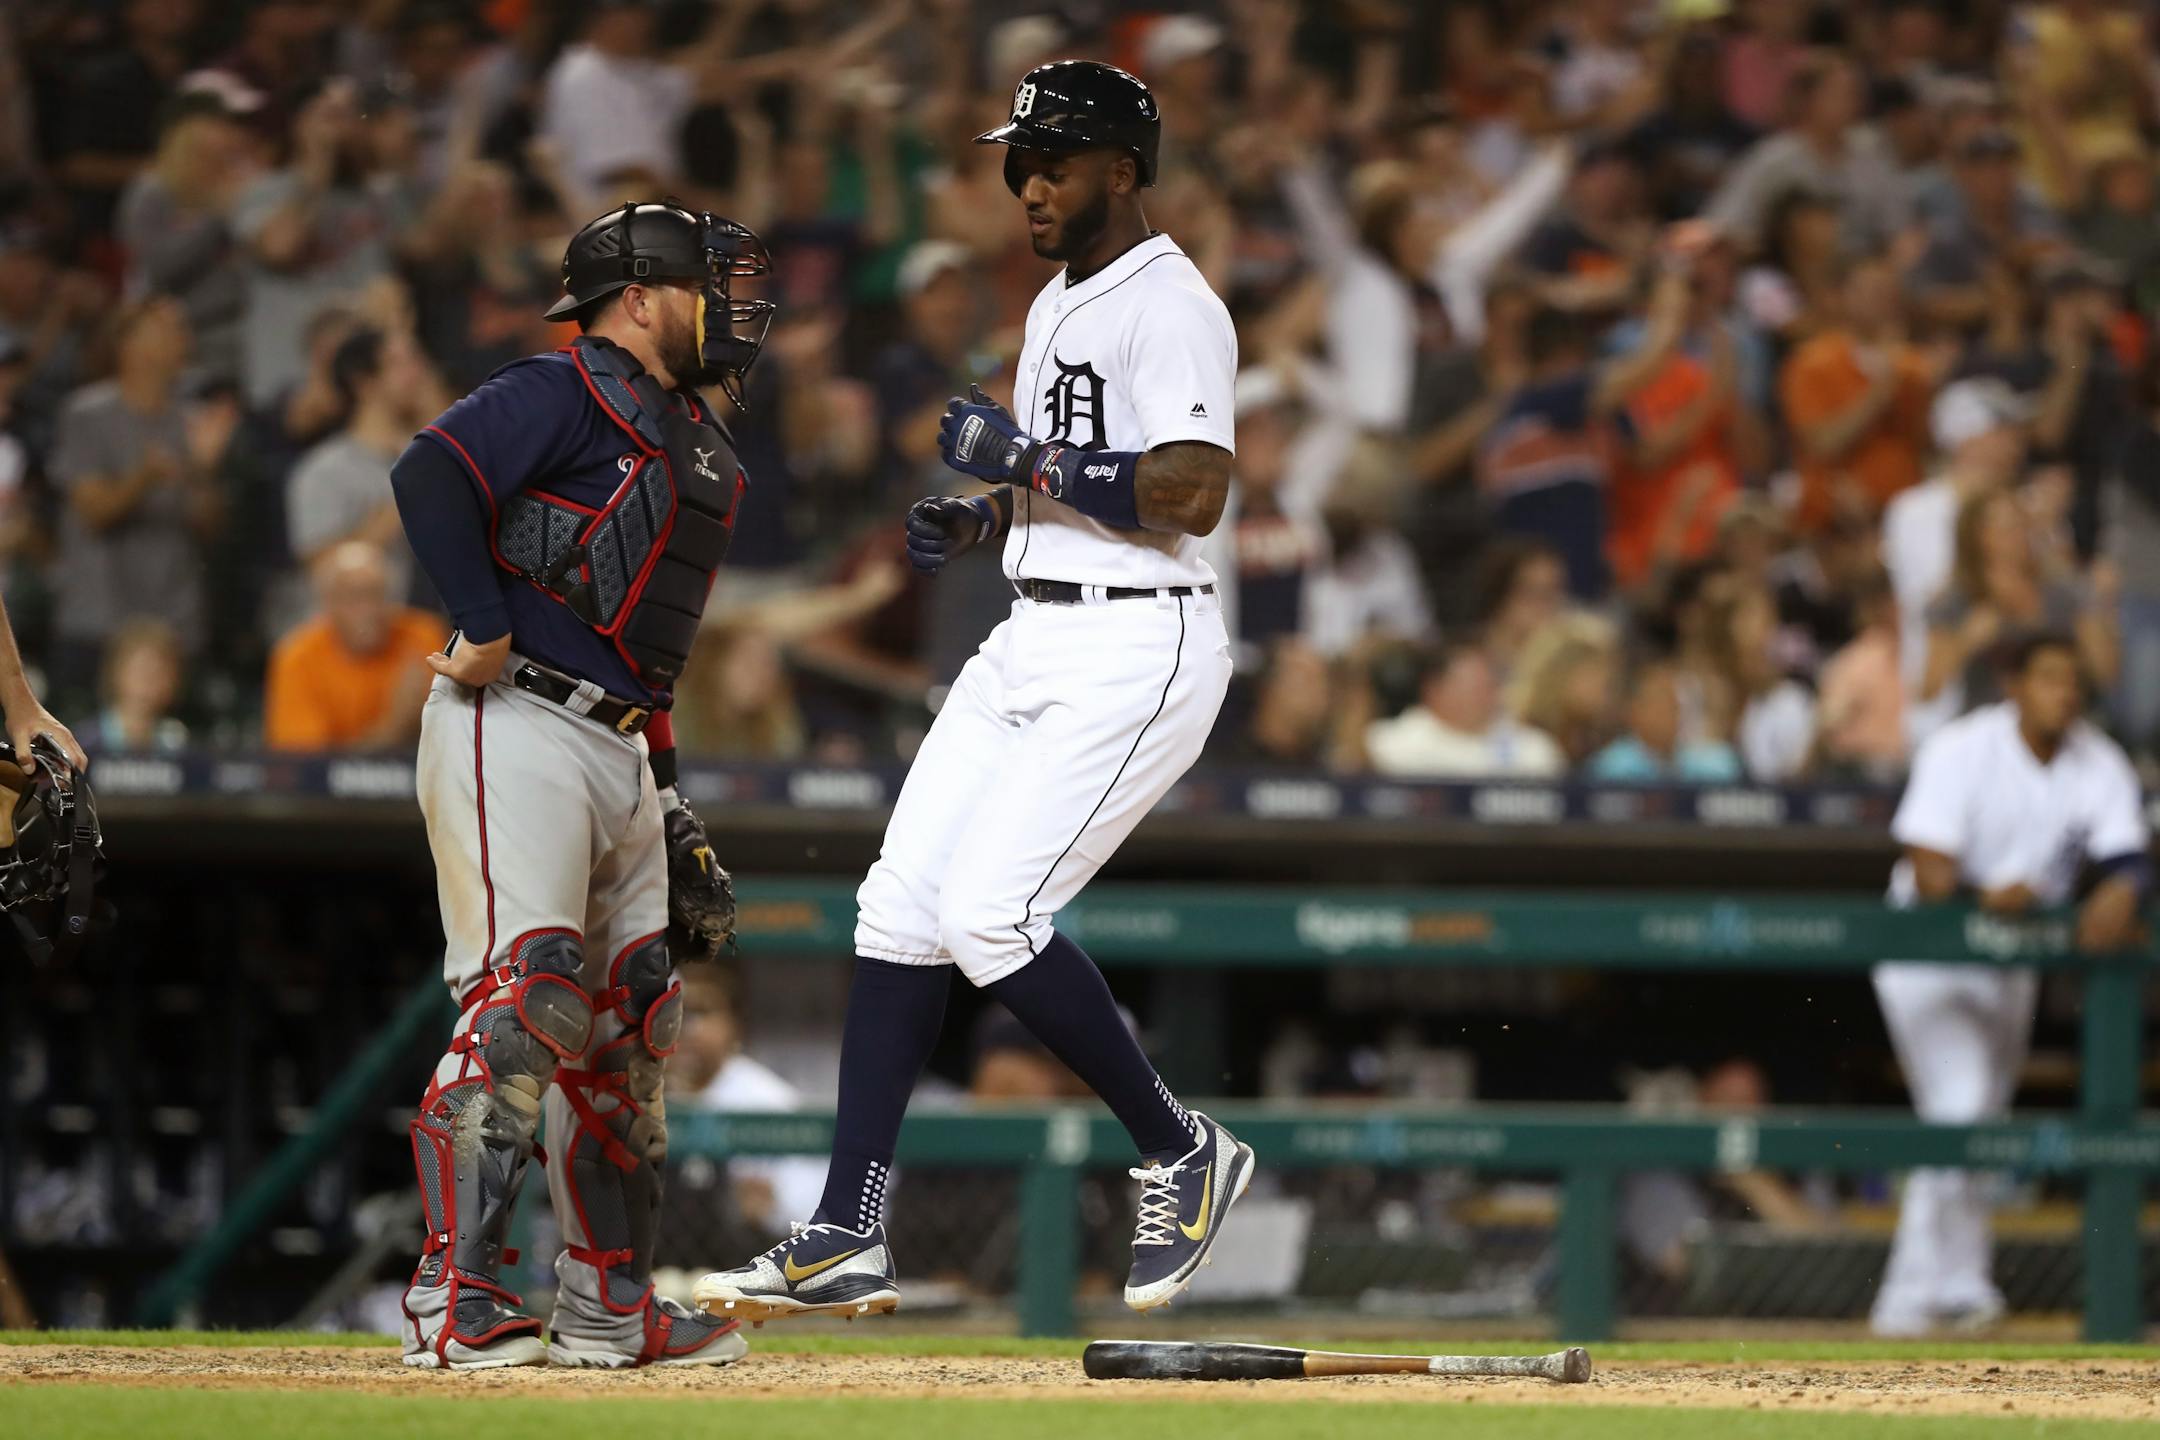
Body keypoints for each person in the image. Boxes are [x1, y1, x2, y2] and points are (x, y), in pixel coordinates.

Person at [694, 61, 1251, 1327]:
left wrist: (1028, 459)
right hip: (1034, 627)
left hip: (1138, 645)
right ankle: (847, 1228)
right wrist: (998, 503)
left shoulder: (1173, 303)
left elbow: (1194, 492)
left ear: (1122, 167)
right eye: (1021, 163)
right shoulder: (1059, 298)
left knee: (995, 915)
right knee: (898, 908)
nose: (1030, 184)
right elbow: (1085, 470)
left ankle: (1181, 1148)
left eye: (1054, 161)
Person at [384, 200, 774, 1370]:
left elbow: (646, 658)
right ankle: (450, 1301)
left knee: (635, 1024)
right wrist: (482, 620)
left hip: (615, 742)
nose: (736, 304)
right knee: (530, 999)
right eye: (712, 281)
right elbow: (429, 471)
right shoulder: (561, 388)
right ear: (643, 296)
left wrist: (670, 796)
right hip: (515, 718)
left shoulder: (691, 439)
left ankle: (609, 1305)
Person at [1871, 630, 2150, 1336]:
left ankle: (1952, 1287)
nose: (2065, 693)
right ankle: (1916, 1300)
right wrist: (1981, 890)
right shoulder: (1960, 749)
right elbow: (1929, 869)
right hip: (1931, 952)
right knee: (1962, 1109)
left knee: (1977, 1123)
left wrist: (2122, 889)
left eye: (2072, 680)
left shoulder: (2098, 760)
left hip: (2011, 964)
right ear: (2014, 685)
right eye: (2049, 677)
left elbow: (2128, 857)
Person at [286, 326, 428, 600]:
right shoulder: (323, 472)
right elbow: (322, 571)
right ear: (364, 382)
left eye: (416, 360)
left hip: (428, 632)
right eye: (398, 363)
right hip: (356, 636)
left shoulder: (433, 456)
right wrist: (408, 497)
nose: (416, 373)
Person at [262, 542, 442, 753]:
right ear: (328, 603)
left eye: (377, 594)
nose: (369, 610)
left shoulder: (422, 638)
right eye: (354, 596)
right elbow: (307, 768)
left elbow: (450, 740)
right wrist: (395, 725)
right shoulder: (298, 657)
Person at [1364, 639, 1563, 779]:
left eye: (1490, 685)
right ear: (1433, 690)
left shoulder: (1532, 748)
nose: (1487, 696)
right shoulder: (1388, 743)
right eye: (1474, 687)